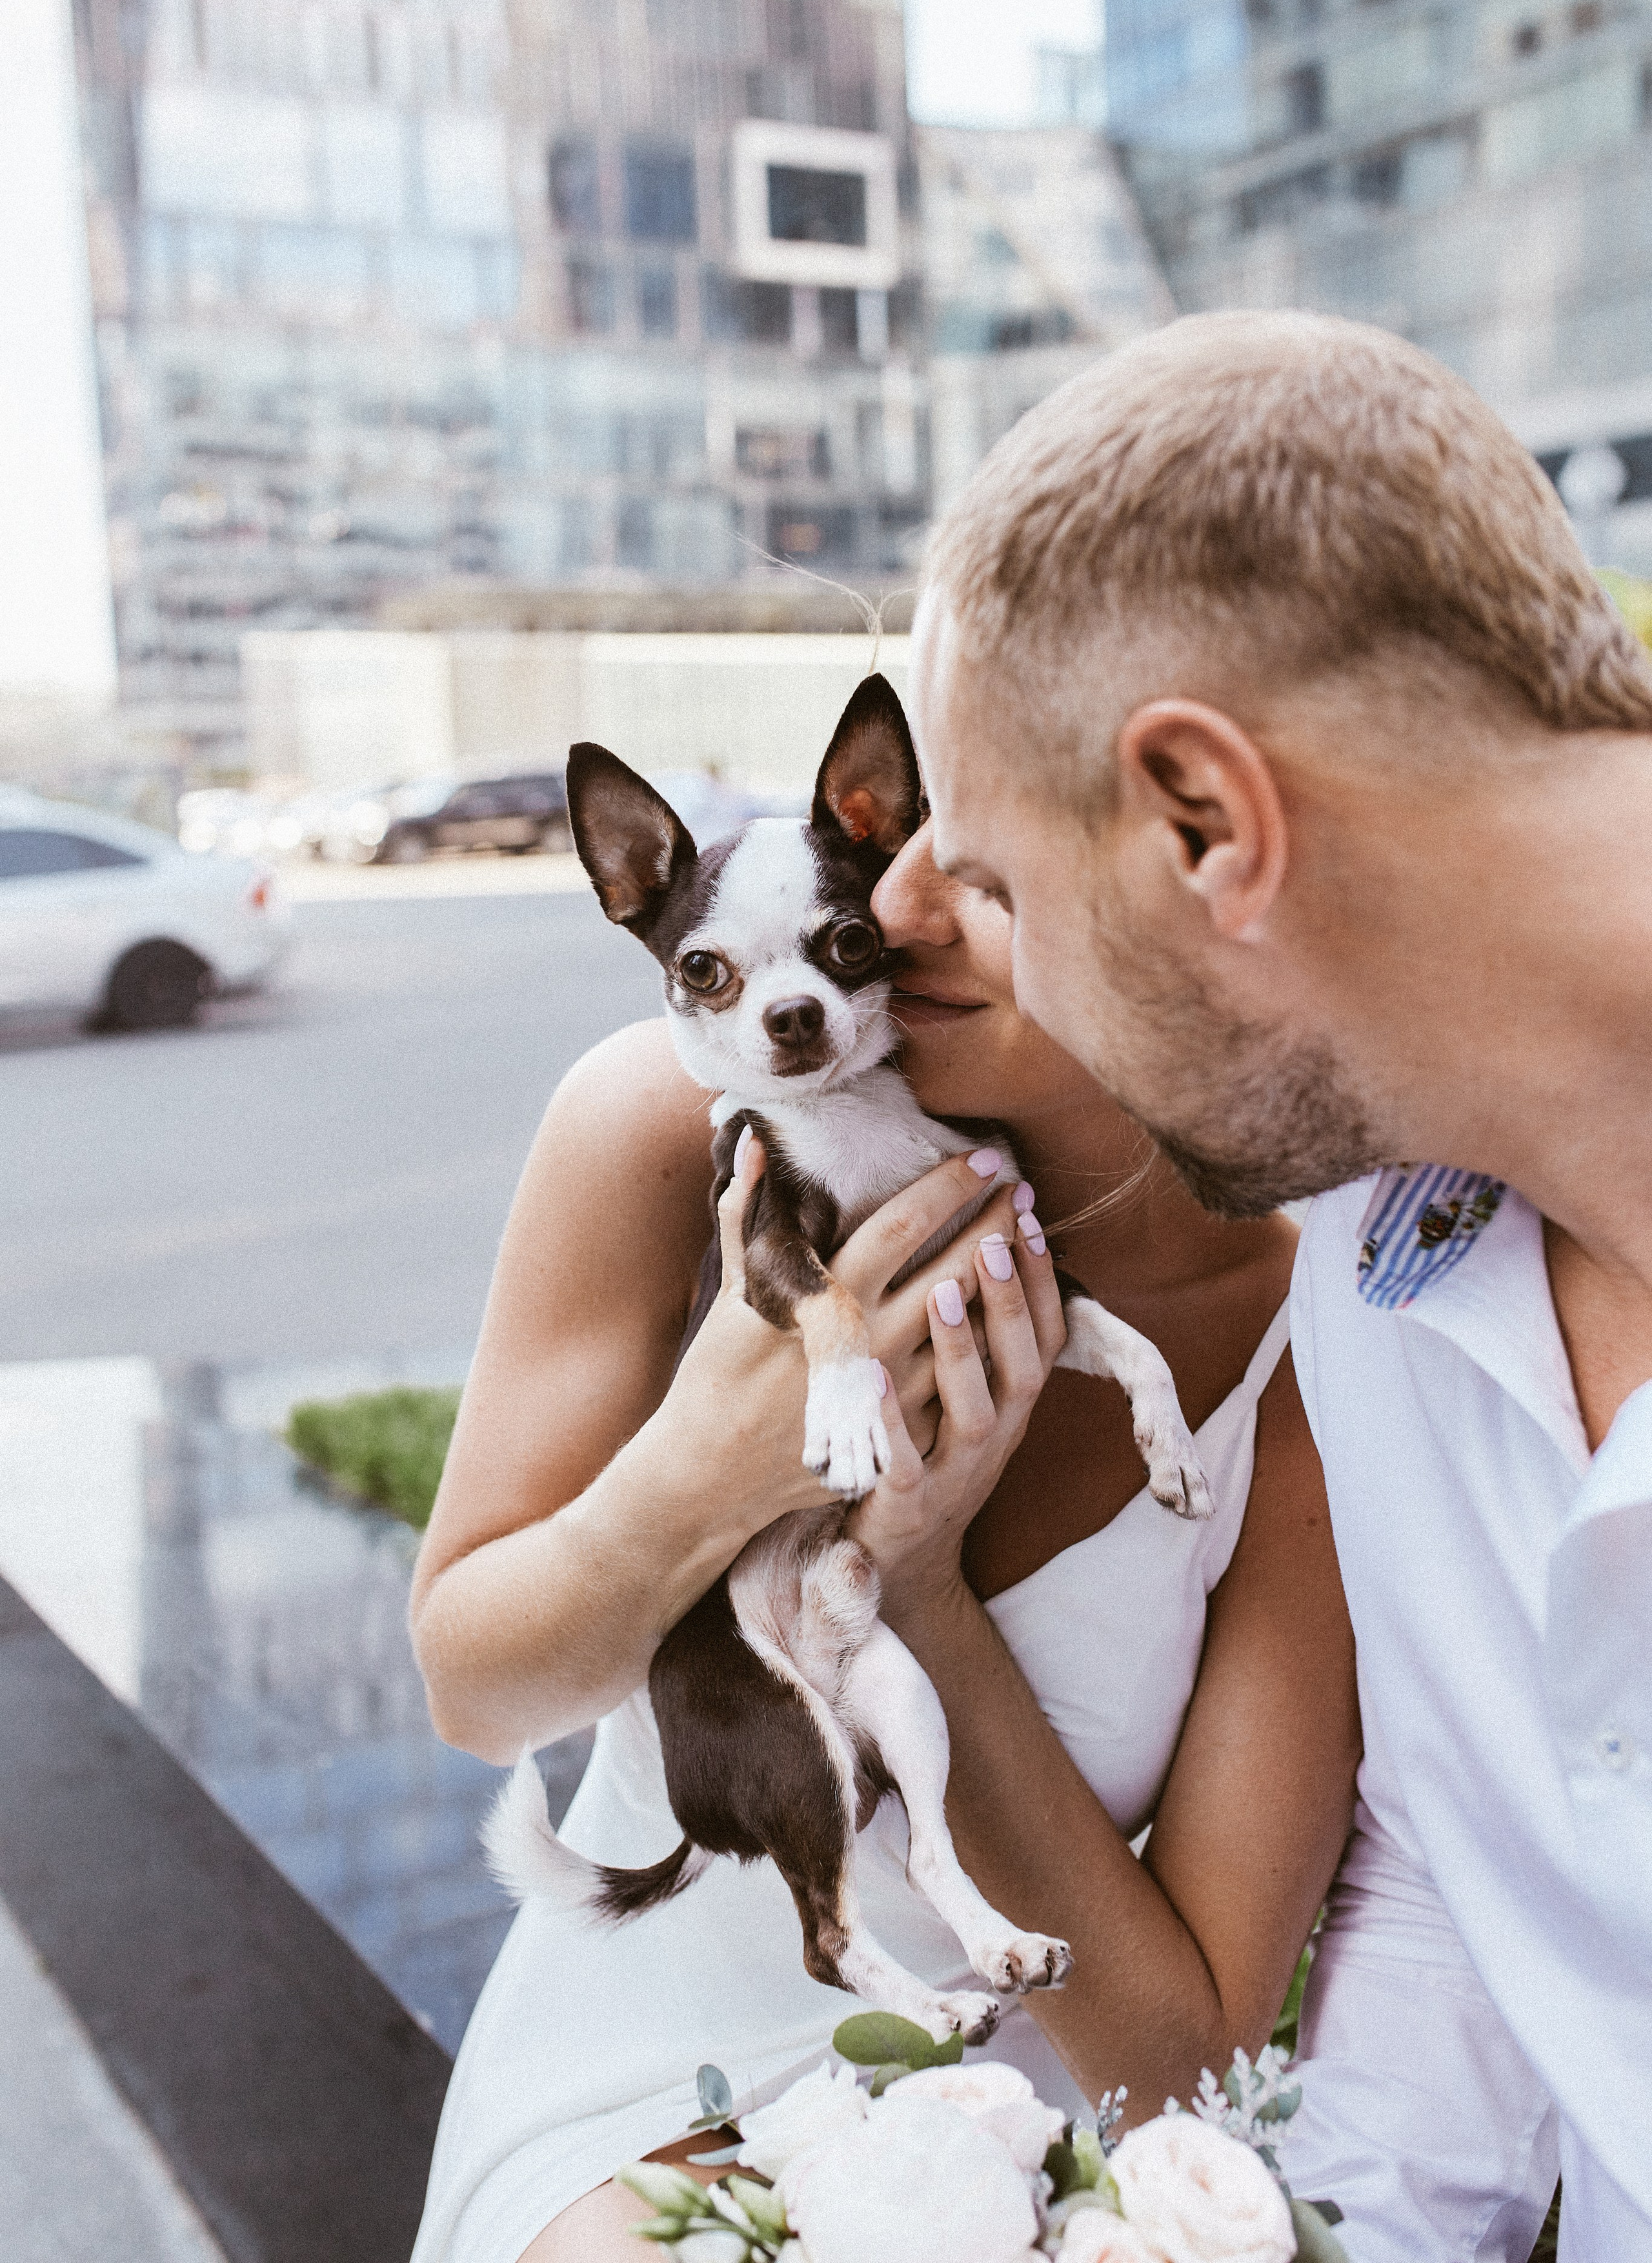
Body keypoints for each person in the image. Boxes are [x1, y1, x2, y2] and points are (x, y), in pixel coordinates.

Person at [909, 307, 1652, 2261]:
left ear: (1206, 824)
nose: (943, 945)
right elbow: (1458, 1890)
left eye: (991, 887)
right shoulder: (1373, 1276)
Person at [405, 791, 1359, 2263]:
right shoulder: (677, 1128)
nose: (894, 901)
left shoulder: (1310, 1351)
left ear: (1215, 888)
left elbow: (1180, 2061)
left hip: (1001, 2152)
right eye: (904, 828)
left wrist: (918, 1586)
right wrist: (711, 1467)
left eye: (982, 851)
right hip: (628, 2094)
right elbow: (474, 1697)